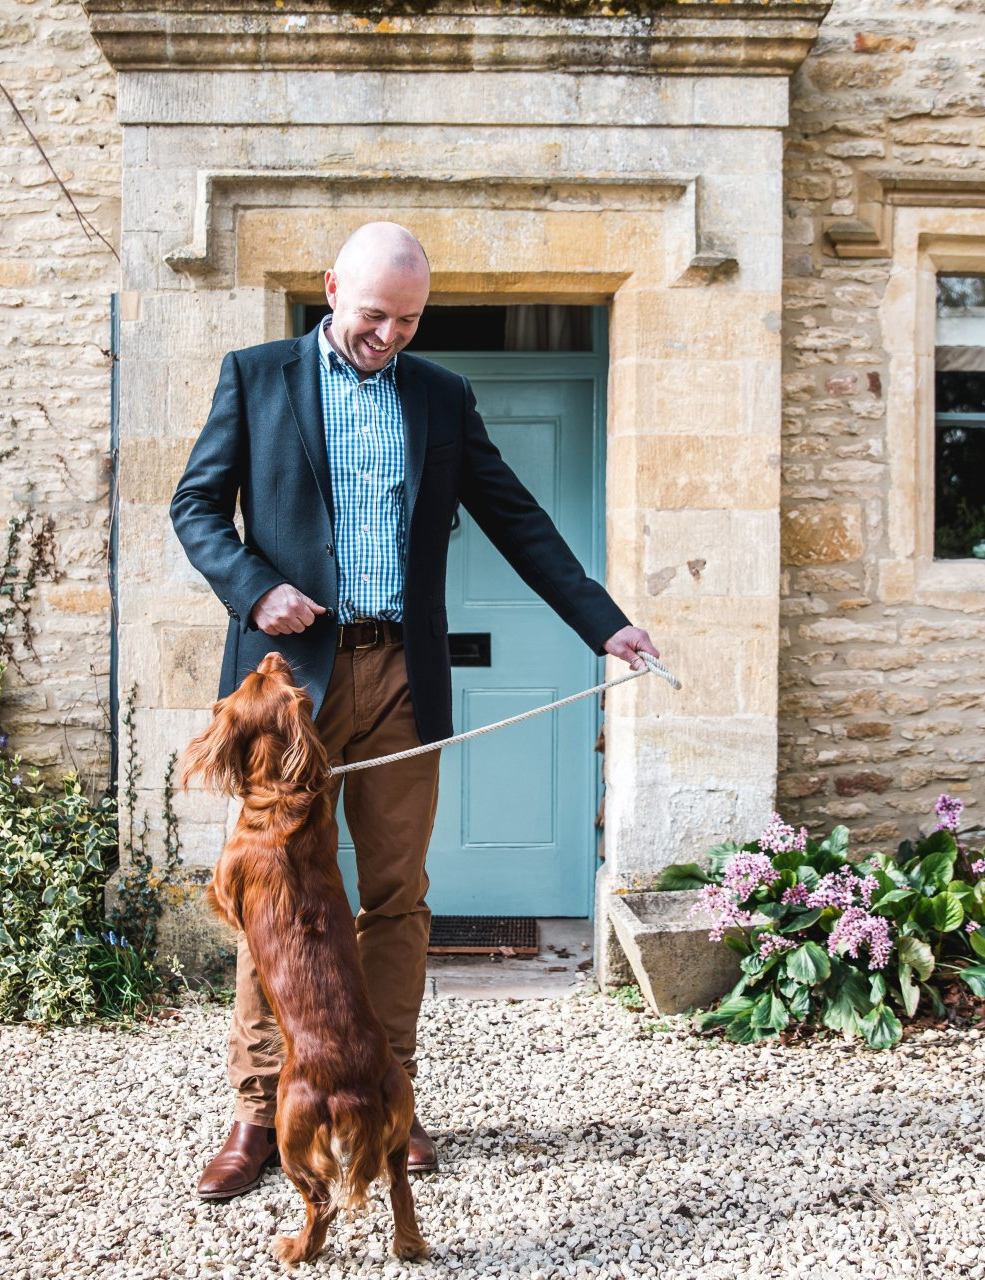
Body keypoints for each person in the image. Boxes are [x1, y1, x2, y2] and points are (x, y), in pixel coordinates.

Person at [170, 222, 660, 1200]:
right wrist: (254, 585)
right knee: (279, 900)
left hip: (401, 674)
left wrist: (602, 623)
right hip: (288, 690)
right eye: (372, 315)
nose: (387, 335)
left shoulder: (441, 395)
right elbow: (193, 506)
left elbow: (516, 515)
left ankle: (388, 1093)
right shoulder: (256, 377)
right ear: (329, 290)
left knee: (396, 898)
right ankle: (258, 1111)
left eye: (407, 319)